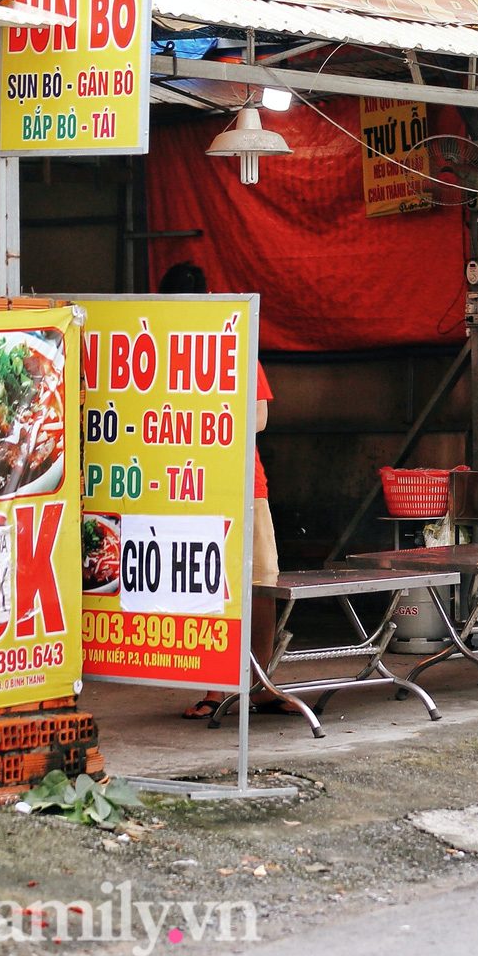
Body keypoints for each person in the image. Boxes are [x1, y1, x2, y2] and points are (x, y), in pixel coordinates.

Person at [160, 262, 284, 719]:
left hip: (245, 485)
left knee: (262, 583)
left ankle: (262, 684)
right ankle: (215, 689)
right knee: (208, 585)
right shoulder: (159, 352)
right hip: (188, 487)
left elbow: (259, 418)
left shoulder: (233, 345)